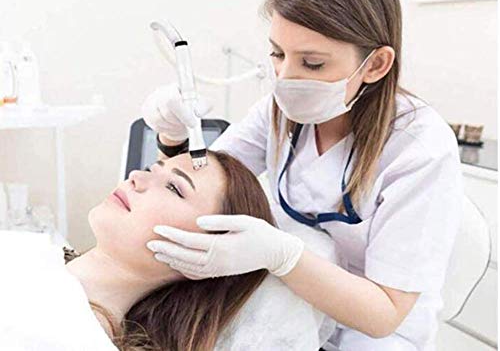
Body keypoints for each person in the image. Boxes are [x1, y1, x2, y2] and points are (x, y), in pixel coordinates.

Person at [142, 0, 464, 350]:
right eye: (278, 54)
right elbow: (205, 187)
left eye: (312, 63)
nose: (285, 77)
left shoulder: (419, 149)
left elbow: (385, 313)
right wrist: (172, 139)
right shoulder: (277, 112)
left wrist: (283, 256)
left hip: (372, 335)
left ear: (376, 64)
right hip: (294, 307)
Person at [3, 150, 326, 351]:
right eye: (151, 168)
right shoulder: (33, 255)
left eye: (174, 187)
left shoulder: (73, 337)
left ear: (209, 253)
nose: (136, 177)